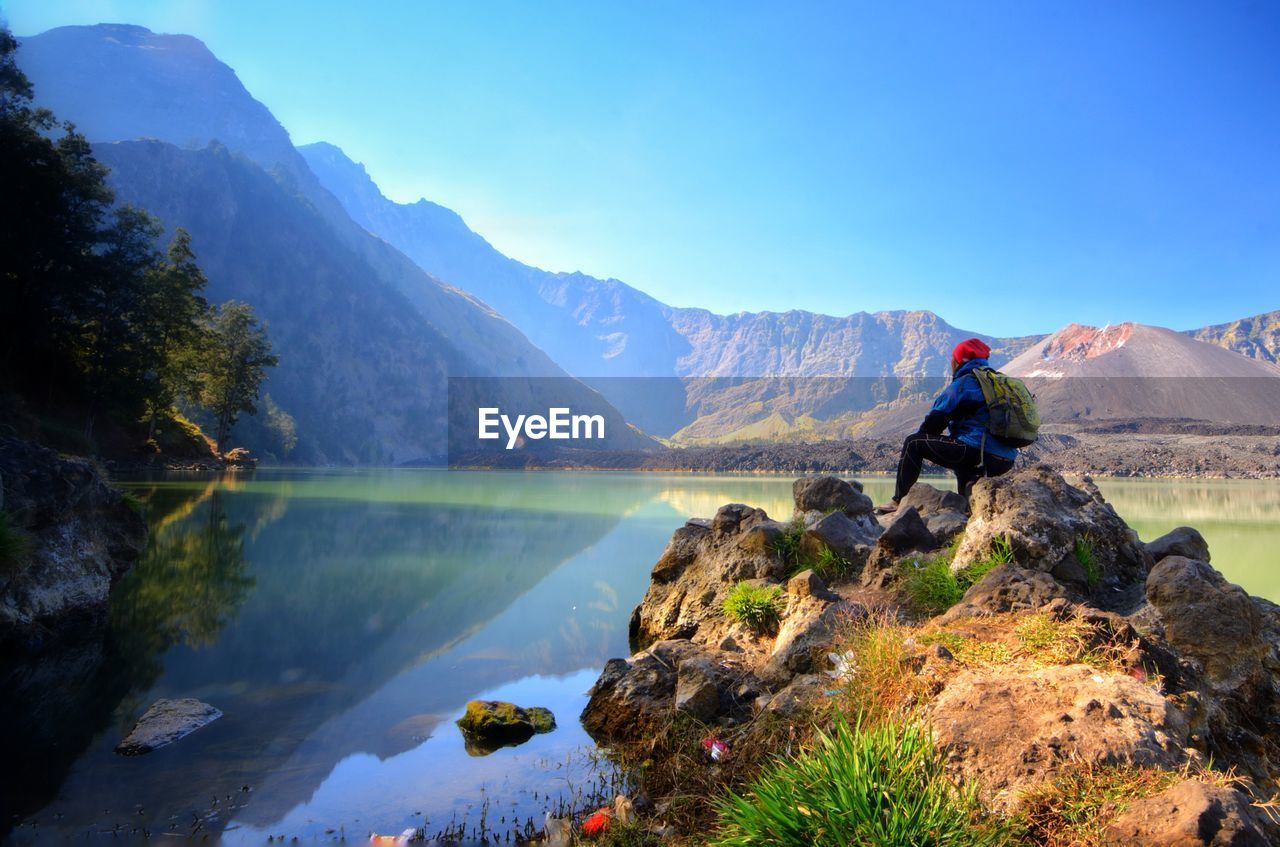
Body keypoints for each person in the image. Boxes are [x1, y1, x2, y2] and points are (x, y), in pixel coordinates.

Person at [875, 338, 1018, 515]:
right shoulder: (997, 383)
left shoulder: (964, 383)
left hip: (978, 452)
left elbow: (934, 422)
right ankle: (968, 510)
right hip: (1005, 459)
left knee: (913, 443)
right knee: (963, 457)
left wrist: (924, 441)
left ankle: (898, 501)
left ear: (957, 362)